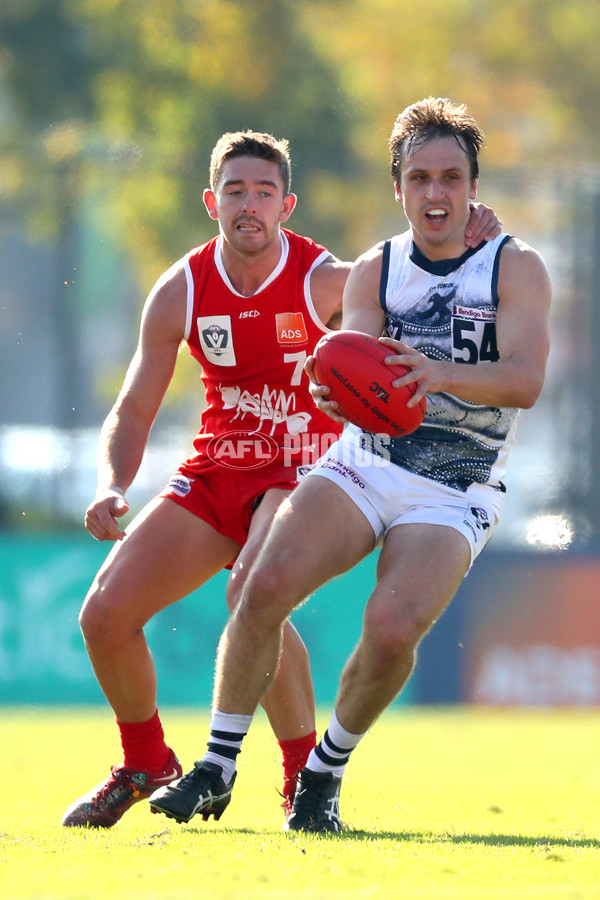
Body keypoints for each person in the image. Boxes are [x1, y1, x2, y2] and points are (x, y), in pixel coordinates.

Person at [62, 128, 500, 829]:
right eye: (235, 191)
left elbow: (411, 277)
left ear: (286, 205)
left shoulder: (320, 277)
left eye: (264, 192)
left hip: (299, 471)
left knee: (248, 590)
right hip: (215, 471)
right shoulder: (180, 288)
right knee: (103, 615)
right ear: (211, 201)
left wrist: (473, 242)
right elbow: (135, 406)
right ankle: (146, 761)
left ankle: (302, 778)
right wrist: (112, 483)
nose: (249, 205)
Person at [147, 98, 552, 833]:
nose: (436, 194)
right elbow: (354, 369)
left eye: (451, 178)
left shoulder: (514, 265)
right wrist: (338, 396)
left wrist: (438, 373)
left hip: (456, 483)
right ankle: (217, 764)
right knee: (262, 584)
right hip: (367, 463)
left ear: (472, 187)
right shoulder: (376, 267)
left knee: (393, 626)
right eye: (420, 178)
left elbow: (525, 380)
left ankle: (322, 776)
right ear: (397, 187)